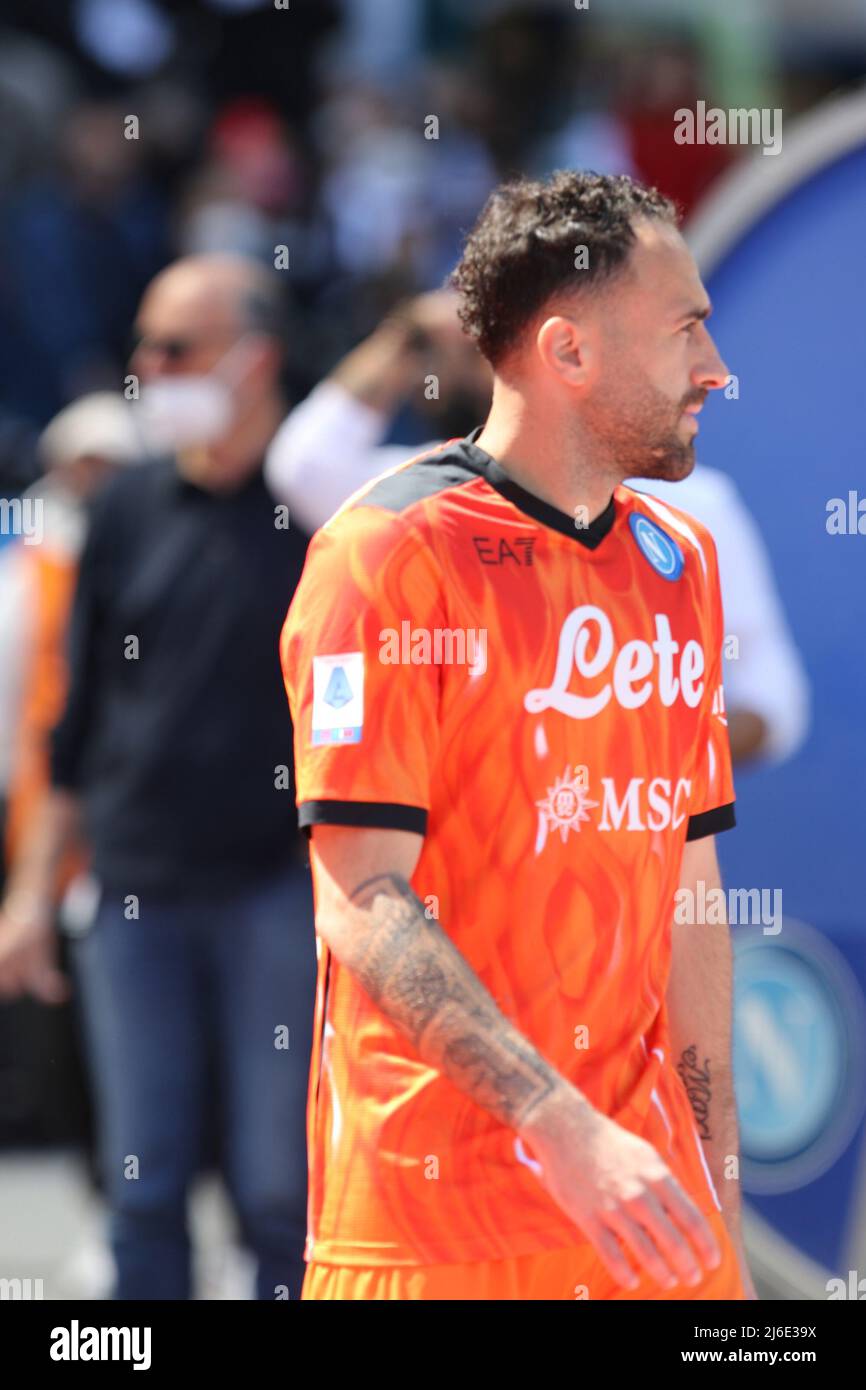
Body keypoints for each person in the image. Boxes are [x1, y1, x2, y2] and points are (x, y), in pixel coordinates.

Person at [281, 170, 756, 1301]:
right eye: (685, 327)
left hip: (641, 1222)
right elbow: (358, 899)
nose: (714, 369)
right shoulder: (390, 552)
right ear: (569, 352)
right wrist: (564, 1128)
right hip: (427, 1231)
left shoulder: (677, 565)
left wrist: (716, 1193)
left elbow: (690, 888)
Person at [0, 255, 316, 1300]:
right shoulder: (128, 505)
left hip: (283, 887)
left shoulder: (320, 510)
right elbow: (74, 722)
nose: (147, 366)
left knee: (282, 1188)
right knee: (143, 1186)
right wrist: (30, 894)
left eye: (173, 347)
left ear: (255, 358)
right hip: (134, 889)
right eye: (144, 343)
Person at [266, 296, 809, 768]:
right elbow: (304, 464)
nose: (444, 368)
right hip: (462, 864)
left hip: (639, 866)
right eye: (441, 352)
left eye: (484, 342)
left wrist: (634, 764)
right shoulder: (413, 498)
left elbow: (770, 697)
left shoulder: (688, 509)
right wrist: (404, 337)